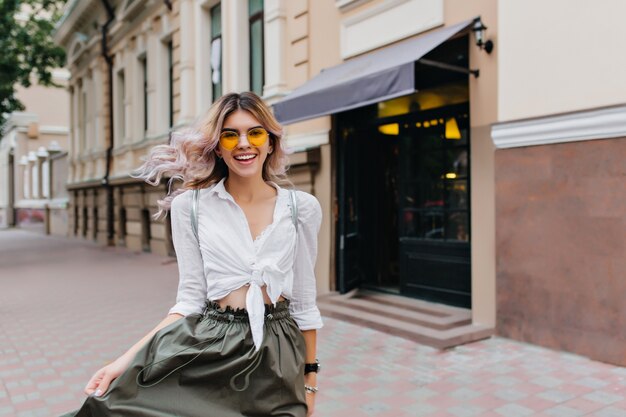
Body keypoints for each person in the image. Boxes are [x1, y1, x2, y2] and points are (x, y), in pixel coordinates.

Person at [59, 92, 324, 417]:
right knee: (111, 409)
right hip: (210, 347)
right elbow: (188, 302)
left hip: (279, 354)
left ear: (270, 143)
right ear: (218, 147)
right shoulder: (191, 207)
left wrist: (309, 384)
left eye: (254, 133)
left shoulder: (301, 208)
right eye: (230, 135)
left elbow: (305, 305)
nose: (243, 143)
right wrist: (122, 361)